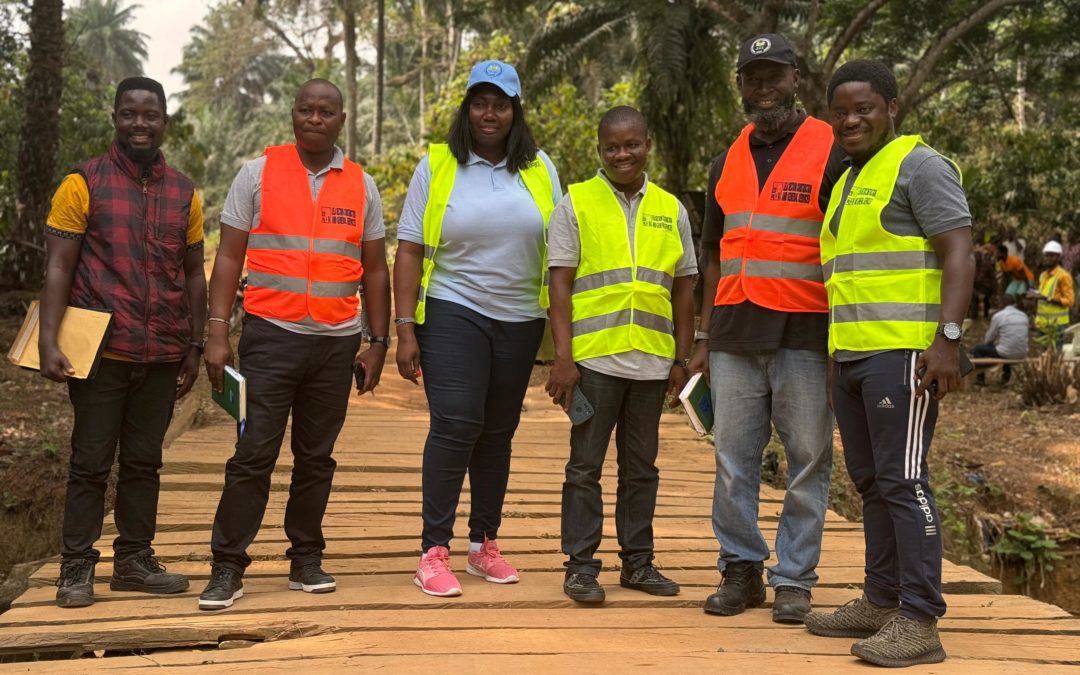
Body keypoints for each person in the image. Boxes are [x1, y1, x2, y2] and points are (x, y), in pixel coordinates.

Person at [803, 60, 974, 668]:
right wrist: (835, 359)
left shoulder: (919, 165)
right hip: (851, 356)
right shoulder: (851, 177)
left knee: (904, 481)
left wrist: (948, 339)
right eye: (841, 111)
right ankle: (880, 600)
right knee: (872, 481)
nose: (851, 120)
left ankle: (920, 619)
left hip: (905, 355)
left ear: (892, 107)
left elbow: (958, 250)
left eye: (864, 108)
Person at [198, 79, 390, 610]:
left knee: (316, 456)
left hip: (335, 342)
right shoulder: (257, 174)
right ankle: (227, 565)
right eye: (305, 109)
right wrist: (217, 330)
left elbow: (375, 269)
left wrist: (377, 341)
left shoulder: (361, 185)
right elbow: (230, 257)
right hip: (269, 337)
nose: (314, 118)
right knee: (253, 452)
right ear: (292, 115)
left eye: (325, 111)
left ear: (341, 120)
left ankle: (305, 556)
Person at [688, 32, 844, 624]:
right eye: (752, 77)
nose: (763, 86)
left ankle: (795, 579)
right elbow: (711, 253)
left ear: (795, 78)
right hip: (733, 332)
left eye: (774, 74)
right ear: (741, 87)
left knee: (807, 457)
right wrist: (704, 336)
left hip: (806, 331)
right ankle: (741, 570)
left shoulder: (832, 151)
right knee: (734, 458)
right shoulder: (724, 159)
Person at [393, 60, 561, 597]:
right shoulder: (438, 164)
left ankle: (484, 544)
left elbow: (560, 251)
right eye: (480, 103)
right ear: (467, 108)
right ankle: (433, 550)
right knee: (457, 422)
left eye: (501, 104)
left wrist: (565, 337)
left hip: (520, 318)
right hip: (453, 309)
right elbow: (411, 250)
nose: (490, 113)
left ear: (515, 111)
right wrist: (404, 328)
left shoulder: (539, 168)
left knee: (496, 431)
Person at [40, 77, 205, 608]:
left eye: (150, 114)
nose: (141, 123)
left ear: (164, 121)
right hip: (100, 354)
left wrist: (195, 345)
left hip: (161, 354)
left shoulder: (186, 192)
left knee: (143, 462)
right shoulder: (82, 182)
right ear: (115, 118)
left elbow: (194, 275)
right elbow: (59, 265)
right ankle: (76, 570)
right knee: (90, 461)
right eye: (130, 113)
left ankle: (134, 562)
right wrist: (48, 339)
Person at [545, 106, 696, 603]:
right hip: (594, 362)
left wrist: (681, 357)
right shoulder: (576, 203)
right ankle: (582, 566)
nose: (622, 154)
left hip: (652, 363)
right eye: (612, 146)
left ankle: (638, 563)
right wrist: (562, 360)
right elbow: (560, 286)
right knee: (584, 466)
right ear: (599, 150)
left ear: (647, 144)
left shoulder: (672, 209)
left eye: (631, 144)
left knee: (641, 467)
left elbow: (684, 289)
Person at [1028, 240, 1075, 350]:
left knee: (1055, 356)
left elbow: (1069, 301)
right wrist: (1033, 296)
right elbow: (1042, 295)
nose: (1048, 258)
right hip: (1043, 324)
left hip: (1057, 325)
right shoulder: (1043, 275)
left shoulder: (1064, 276)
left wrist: (1045, 298)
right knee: (1046, 355)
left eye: (1052, 256)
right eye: (1046, 255)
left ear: (1059, 257)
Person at [972, 294, 1028, 385]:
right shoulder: (1023, 315)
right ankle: (1006, 376)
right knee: (1008, 346)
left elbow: (989, 338)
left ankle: (980, 378)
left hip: (1006, 352)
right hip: (1022, 352)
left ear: (1002, 304)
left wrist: (991, 343)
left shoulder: (999, 316)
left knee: (978, 349)